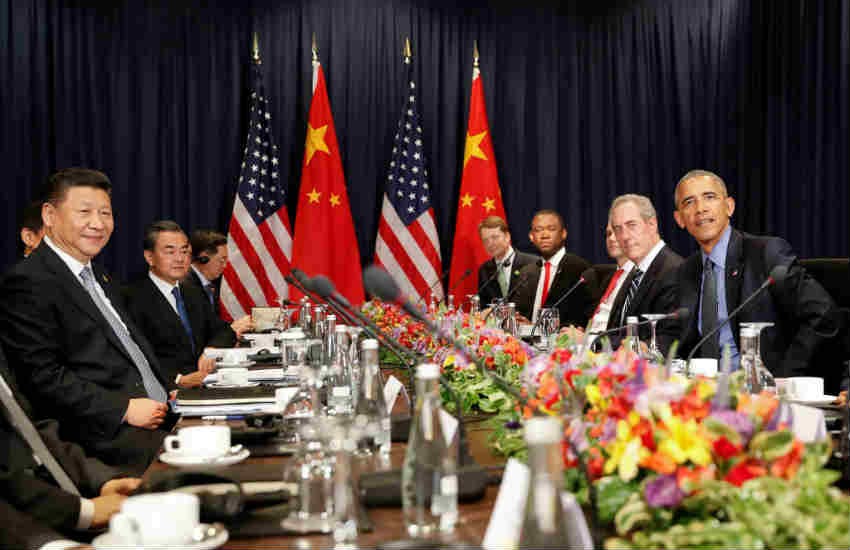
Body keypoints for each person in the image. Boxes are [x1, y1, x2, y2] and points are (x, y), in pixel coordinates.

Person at [0, 168, 176, 473]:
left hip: (162, 414)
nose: (98, 223)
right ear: (49, 215)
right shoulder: (28, 280)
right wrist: (123, 409)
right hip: (103, 437)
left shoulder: (99, 275)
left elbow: (127, 349)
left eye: (105, 213)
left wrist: (166, 388)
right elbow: (42, 378)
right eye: (85, 212)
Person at [673, 169, 839, 380]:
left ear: (729, 206)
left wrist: (784, 378)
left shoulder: (766, 254)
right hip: (704, 389)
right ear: (680, 219)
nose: (700, 208)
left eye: (709, 197)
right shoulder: (687, 270)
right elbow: (683, 340)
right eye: (689, 202)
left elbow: (823, 315)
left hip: (761, 389)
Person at [0, 346, 139, 540]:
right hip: (27, 526)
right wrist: (84, 512)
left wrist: (102, 481)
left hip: (62, 500)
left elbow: (32, 431)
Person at [125, 221, 236, 388]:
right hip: (164, 391)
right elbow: (134, 356)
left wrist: (211, 351)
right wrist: (178, 380)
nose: (180, 258)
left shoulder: (192, 291)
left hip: (205, 385)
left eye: (184, 251)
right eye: (170, 252)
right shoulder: (131, 298)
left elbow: (224, 331)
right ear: (149, 257)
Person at [606, 194, 683, 353]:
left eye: (631, 225)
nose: (624, 236)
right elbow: (617, 331)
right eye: (618, 229)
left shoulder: (675, 270)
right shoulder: (635, 272)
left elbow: (670, 338)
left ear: (652, 224)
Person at [513, 209, 595, 328]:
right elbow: (520, 312)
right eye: (538, 230)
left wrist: (538, 329)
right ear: (531, 237)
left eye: (551, 229)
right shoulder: (527, 272)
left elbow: (583, 319)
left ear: (563, 234)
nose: (544, 235)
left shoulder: (580, 269)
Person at [186, 229, 252, 336]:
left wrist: (236, 327)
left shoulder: (209, 286)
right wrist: (232, 329)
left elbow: (214, 325)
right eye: (221, 260)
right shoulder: (186, 286)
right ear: (203, 258)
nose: (225, 266)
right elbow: (200, 331)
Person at [476, 216, 538, 307]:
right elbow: (484, 305)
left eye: (494, 237)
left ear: (507, 237)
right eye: (485, 240)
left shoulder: (533, 263)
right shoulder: (484, 270)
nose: (490, 244)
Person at [587, 223, 635, 337]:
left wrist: (586, 338)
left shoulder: (638, 278)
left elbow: (625, 331)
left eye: (617, 232)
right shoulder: (608, 277)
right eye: (608, 234)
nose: (611, 238)